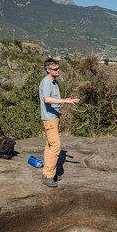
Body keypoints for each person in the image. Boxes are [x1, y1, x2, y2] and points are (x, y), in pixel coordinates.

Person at [39, 58, 80, 188]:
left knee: (50, 145)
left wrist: (66, 100)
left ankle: (48, 171)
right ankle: (48, 176)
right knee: (56, 145)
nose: (58, 71)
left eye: (58, 68)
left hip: (54, 117)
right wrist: (65, 101)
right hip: (49, 118)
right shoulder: (46, 83)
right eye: (55, 69)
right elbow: (47, 99)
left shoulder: (54, 82)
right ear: (48, 70)